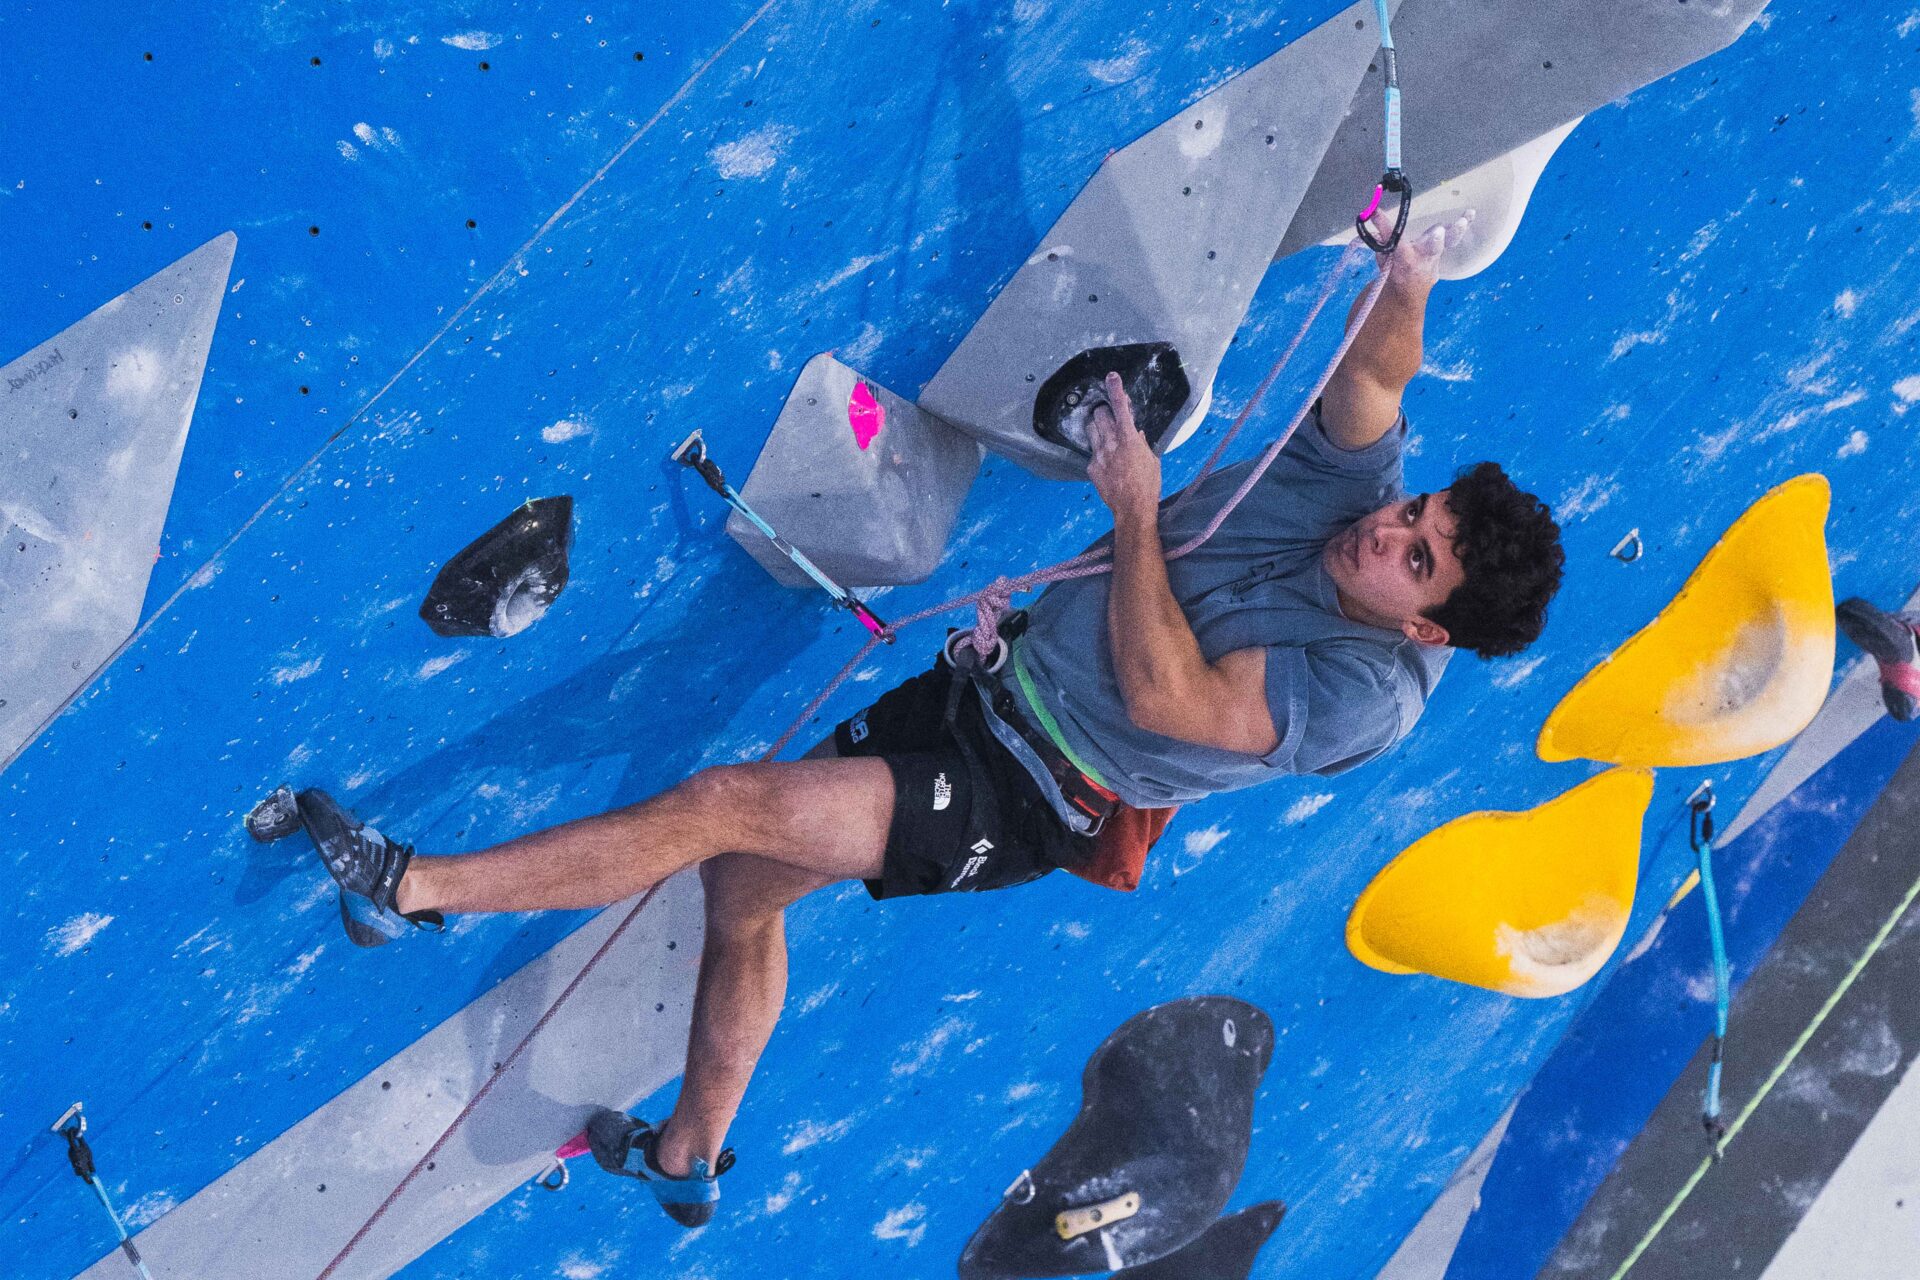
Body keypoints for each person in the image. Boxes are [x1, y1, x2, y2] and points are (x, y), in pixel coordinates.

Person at [281, 213, 1564, 1226]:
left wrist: (1132, 506)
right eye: (1419, 515)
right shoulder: (1364, 498)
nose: (1387, 532)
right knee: (744, 889)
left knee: (729, 806)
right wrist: (1407, 274)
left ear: (1428, 626)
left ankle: (419, 886)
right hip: (981, 686)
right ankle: (687, 1157)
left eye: (1417, 559)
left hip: (1033, 792)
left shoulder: (1367, 697)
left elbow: (1175, 699)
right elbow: (1382, 376)